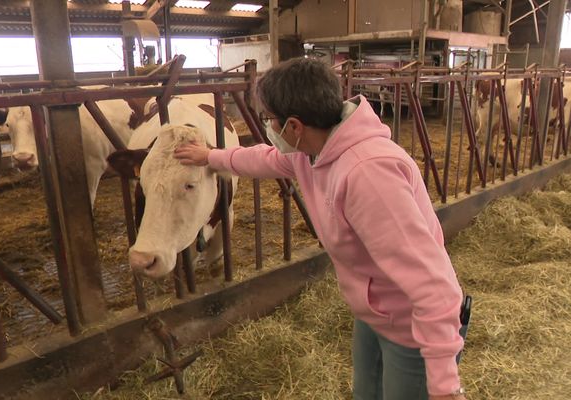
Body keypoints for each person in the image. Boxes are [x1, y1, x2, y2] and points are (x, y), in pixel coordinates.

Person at [174, 57, 467, 400]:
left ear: (294, 126)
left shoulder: (368, 175)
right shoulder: (313, 151)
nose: (268, 127)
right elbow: (265, 158)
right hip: (375, 313)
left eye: (269, 119)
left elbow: (433, 286)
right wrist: (210, 157)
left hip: (412, 327)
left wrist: (446, 387)